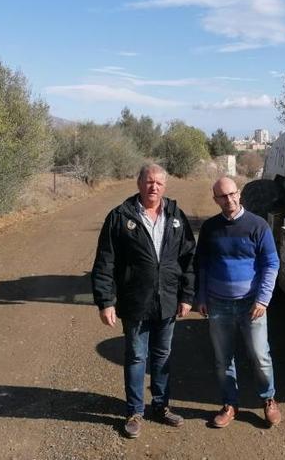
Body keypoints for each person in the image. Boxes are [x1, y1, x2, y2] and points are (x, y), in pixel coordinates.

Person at [91, 163, 196, 439]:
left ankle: (161, 406)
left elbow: (188, 260)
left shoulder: (175, 216)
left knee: (162, 356)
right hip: (135, 301)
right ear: (138, 183)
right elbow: (105, 262)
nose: (154, 187)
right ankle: (135, 411)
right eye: (149, 182)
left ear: (165, 186)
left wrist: (187, 295)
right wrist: (105, 301)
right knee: (137, 356)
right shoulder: (119, 216)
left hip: (168, 300)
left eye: (159, 183)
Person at [195, 177, 282, 428]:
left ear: (239, 194)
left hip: (251, 305)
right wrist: (200, 297)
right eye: (222, 196)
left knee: (260, 355)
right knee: (223, 359)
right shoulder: (211, 228)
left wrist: (263, 299)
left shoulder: (258, 225)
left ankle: (269, 399)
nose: (229, 200)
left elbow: (271, 264)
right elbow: (201, 264)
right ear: (215, 199)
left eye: (232, 194)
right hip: (218, 304)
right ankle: (229, 404)